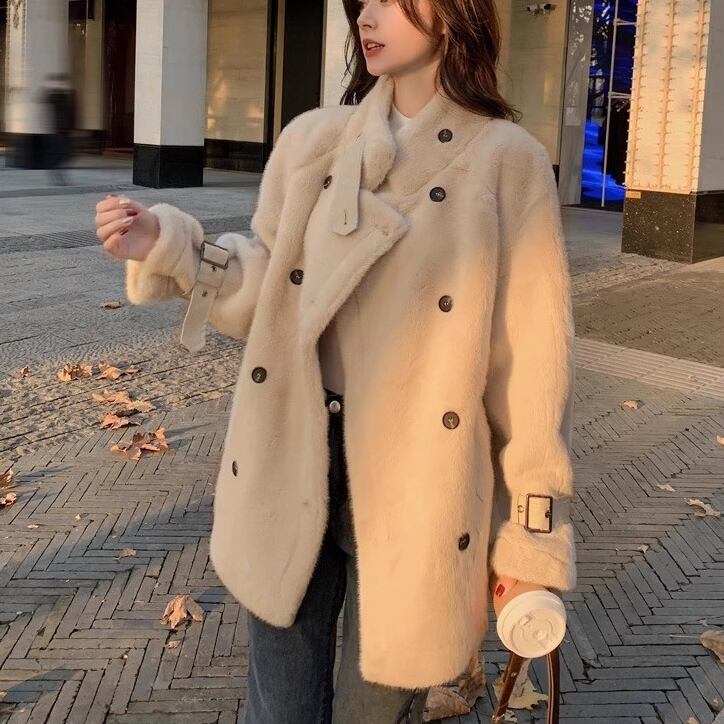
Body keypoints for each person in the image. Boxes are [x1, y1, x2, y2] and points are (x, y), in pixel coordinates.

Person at [94, 0, 576, 722]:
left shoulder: (509, 162)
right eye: (363, 3)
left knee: (372, 711)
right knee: (277, 708)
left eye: (391, 0)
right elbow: (270, 291)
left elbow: (533, 368)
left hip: (420, 479)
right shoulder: (312, 142)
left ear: (452, 13)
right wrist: (172, 249)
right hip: (292, 451)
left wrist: (532, 539)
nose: (367, 17)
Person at [39, 72, 76, 185]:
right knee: (59, 153)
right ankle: (56, 173)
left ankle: (57, 172)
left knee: (65, 154)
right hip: (56, 130)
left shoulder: (66, 95)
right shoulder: (54, 95)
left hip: (64, 130)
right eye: (64, 82)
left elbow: (69, 113)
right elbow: (52, 111)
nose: (66, 84)